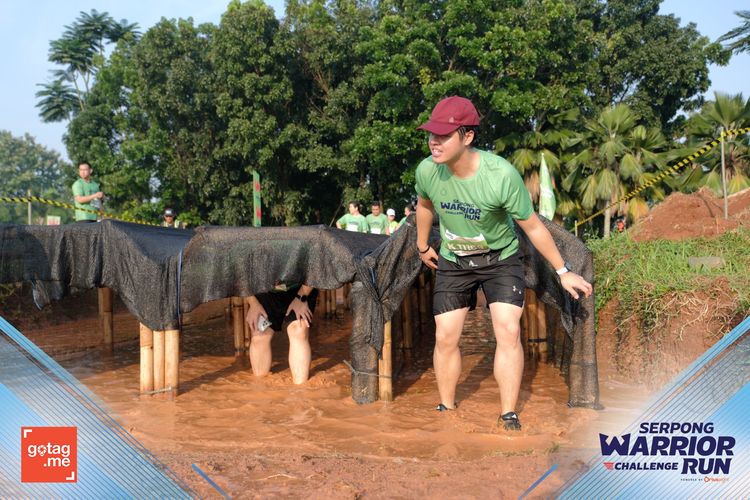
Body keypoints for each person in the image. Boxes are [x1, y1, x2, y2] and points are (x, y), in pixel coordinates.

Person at [414, 96, 592, 430]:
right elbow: (424, 206)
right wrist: (423, 245)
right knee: (446, 335)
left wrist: (563, 271)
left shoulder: (500, 175)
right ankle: (446, 408)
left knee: (508, 330)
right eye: (431, 134)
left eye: (443, 135)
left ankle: (508, 412)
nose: (434, 141)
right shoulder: (427, 170)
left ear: (467, 136)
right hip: (454, 259)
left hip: (500, 259)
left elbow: (533, 226)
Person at [245, 283, 319, 384]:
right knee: (259, 333)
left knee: (298, 330)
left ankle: (301, 389)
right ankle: (259, 387)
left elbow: (315, 273)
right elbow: (240, 276)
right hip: (265, 288)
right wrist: (253, 303)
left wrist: (301, 297)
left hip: (300, 288)